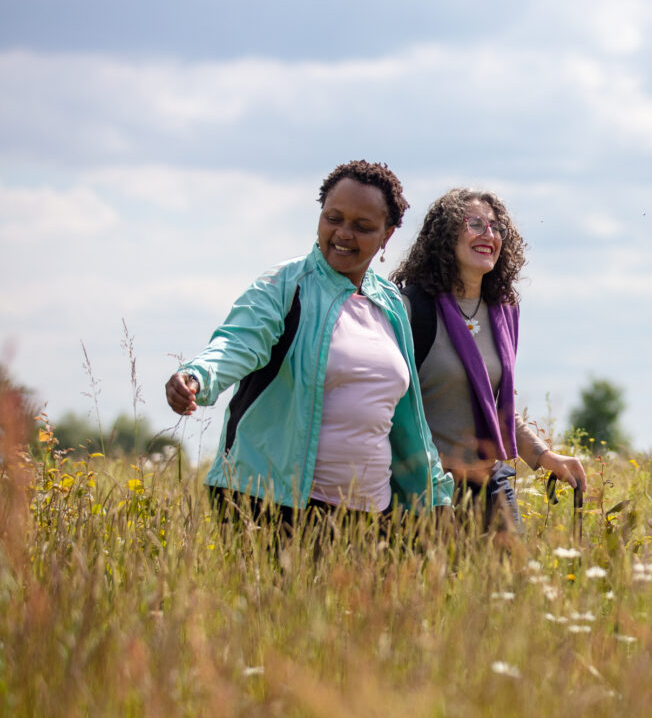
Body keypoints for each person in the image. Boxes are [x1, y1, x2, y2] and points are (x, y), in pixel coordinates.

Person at [165, 160, 452, 545]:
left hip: (370, 515)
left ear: (387, 235)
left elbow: (408, 415)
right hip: (271, 504)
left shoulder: (392, 305)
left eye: (363, 227)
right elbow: (238, 340)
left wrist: (434, 491)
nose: (343, 234)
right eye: (333, 218)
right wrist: (198, 375)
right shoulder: (285, 285)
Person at [390, 188, 587, 532]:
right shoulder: (411, 310)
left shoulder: (503, 312)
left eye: (497, 228)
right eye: (476, 224)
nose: (489, 235)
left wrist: (543, 456)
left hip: (489, 486)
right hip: (425, 490)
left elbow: (494, 405)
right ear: (445, 234)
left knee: (513, 583)